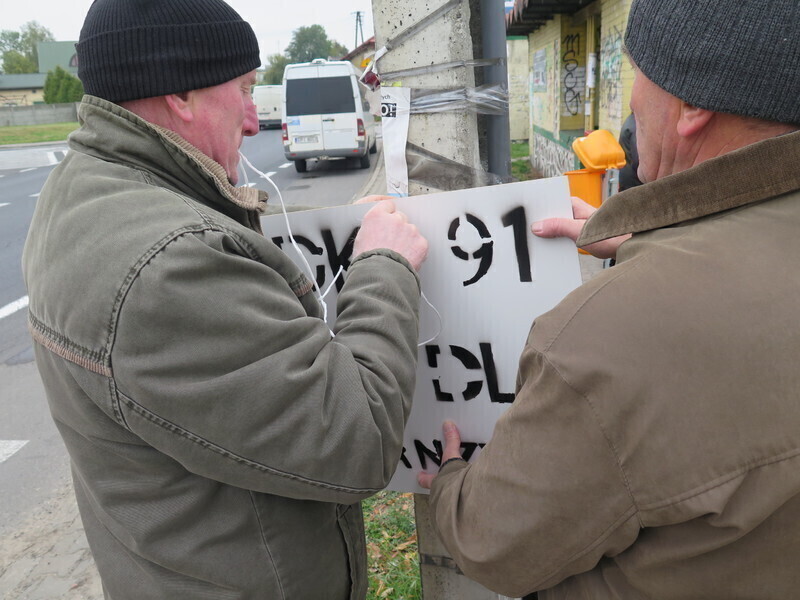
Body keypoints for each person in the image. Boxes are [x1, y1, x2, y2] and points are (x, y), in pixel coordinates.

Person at [22, 0, 428, 598]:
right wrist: (381, 265)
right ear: (180, 96)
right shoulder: (170, 264)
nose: (253, 120)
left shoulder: (83, 192)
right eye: (242, 90)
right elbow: (355, 438)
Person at [419, 0, 800, 598]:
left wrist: (449, 481)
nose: (629, 104)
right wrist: (661, 242)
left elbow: (492, 543)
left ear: (693, 105)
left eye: (635, 75)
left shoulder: (604, 335)